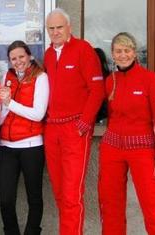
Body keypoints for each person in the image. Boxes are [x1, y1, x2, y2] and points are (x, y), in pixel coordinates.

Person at [98, 32, 155, 235]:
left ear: (134, 53)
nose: (122, 55)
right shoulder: (110, 81)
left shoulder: (149, 79)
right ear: (113, 55)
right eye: (118, 51)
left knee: (153, 203)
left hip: (143, 150)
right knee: (110, 204)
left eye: (127, 50)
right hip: (112, 149)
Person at [43, 8, 105, 235]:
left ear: (69, 27)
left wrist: (85, 123)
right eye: (51, 28)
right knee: (59, 191)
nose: (56, 32)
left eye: (60, 27)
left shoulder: (83, 49)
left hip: (74, 128)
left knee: (71, 194)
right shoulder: (48, 55)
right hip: (52, 129)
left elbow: (97, 89)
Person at [0, 40, 48, 235]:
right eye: (13, 58)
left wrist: (10, 103)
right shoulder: (6, 77)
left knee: (34, 196)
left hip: (31, 145)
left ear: (29, 56)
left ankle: (32, 232)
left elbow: (38, 113)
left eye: (21, 57)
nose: (18, 61)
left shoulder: (41, 77)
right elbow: (2, 114)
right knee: (5, 198)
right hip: (7, 146)